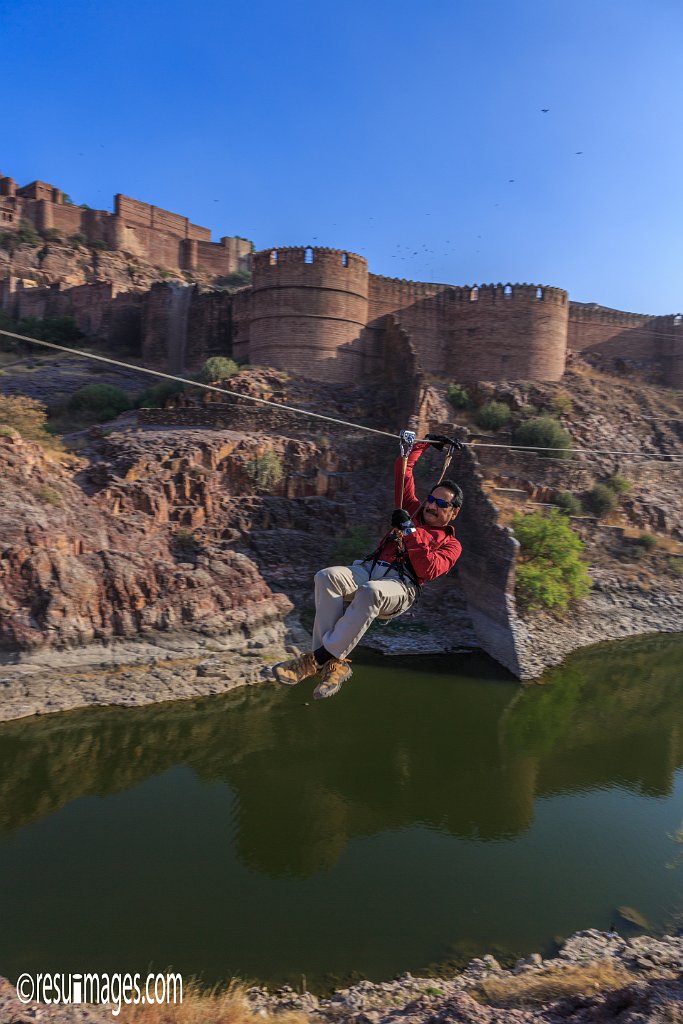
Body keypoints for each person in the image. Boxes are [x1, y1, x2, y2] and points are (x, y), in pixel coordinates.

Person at [273, 434, 464, 700]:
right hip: (370, 567)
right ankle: (330, 663)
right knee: (326, 577)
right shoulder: (413, 509)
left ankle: (313, 661)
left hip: (401, 587)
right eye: (432, 499)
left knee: (371, 592)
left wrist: (409, 530)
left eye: (442, 504)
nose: (432, 505)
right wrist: (424, 444)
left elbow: (427, 569)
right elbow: (404, 469)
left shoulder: (452, 545)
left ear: (454, 512)